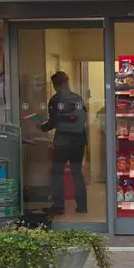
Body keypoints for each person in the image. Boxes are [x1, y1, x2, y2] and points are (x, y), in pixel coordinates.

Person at [40, 70, 89, 215]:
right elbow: (84, 119)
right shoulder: (78, 98)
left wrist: (41, 127)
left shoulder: (55, 100)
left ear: (56, 85)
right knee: (77, 173)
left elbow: (53, 122)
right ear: (66, 82)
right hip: (79, 141)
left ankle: (59, 206)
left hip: (62, 141)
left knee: (57, 173)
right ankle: (82, 206)